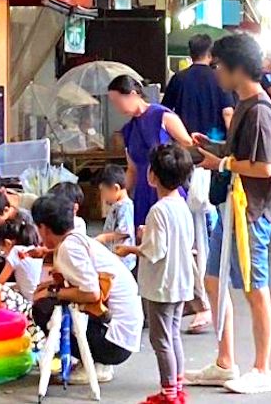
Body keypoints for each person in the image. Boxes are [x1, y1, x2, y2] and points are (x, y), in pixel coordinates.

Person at [186, 34, 271, 394]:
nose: (216, 73)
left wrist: (222, 162)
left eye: (219, 66)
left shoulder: (258, 110)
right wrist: (213, 148)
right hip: (232, 208)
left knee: (256, 289)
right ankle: (225, 362)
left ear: (237, 69)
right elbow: (240, 152)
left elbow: (263, 167)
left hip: (250, 212)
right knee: (213, 280)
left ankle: (262, 370)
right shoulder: (244, 103)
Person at [31, 195, 144, 383]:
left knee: (43, 308)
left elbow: (92, 293)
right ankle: (94, 362)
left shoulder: (69, 248)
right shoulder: (77, 240)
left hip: (114, 342)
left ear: (43, 228)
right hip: (122, 334)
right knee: (50, 299)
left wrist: (52, 292)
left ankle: (92, 362)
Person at [116, 145, 194, 404]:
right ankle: (177, 386)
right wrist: (147, 233)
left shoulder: (158, 211)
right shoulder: (181, 205)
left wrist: (131, 247)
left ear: (152, 175)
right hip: (180, 280)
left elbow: (154, 251)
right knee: (173, 334)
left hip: (162, 284)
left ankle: (168, 392)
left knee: (160, 339)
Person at [108, 75, 192, 230]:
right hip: (143, 191)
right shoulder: (128, 130)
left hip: (167, 185)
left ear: (133, 94)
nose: (117, 107)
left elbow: (187, 144)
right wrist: (121, 193)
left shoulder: (162, 116)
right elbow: (132, 169)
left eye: (118, 101)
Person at [0, 215, 46, 352]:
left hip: (32, 308)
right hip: (41, 305)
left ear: (8, 243)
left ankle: (2, 330)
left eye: (2, 249)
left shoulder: (16, 251)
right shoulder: (36, 249)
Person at [162, 34, 234, 141]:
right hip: (214, 141)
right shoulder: (219, 77)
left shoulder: (178, 78)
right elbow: (227, 112)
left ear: (190, 54)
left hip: (185, 140)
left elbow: (165, 111)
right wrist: (233, 141)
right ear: (210, 54)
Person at [96, 164, 136, 272]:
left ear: (115, 188)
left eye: (104, 191)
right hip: (115, 257)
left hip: (123, 260)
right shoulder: (117, 205)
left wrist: (104, 237)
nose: (103, 196)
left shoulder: (125, 206)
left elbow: (124, 231)